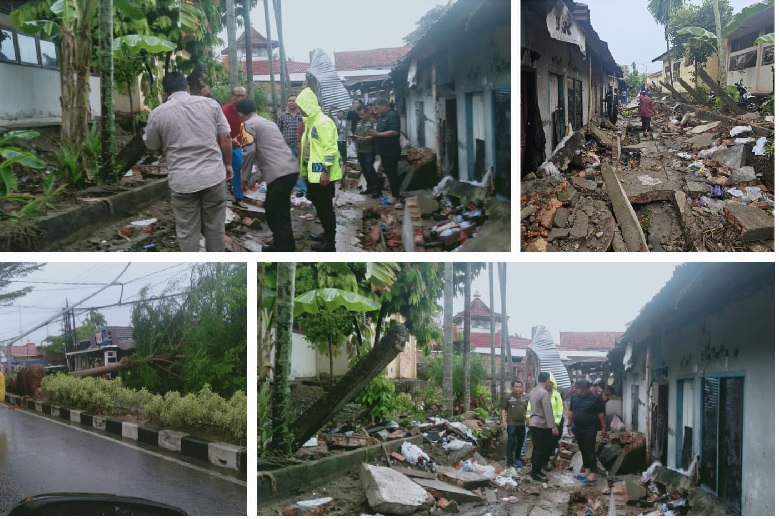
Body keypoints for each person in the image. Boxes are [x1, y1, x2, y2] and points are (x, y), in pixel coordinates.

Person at [144, 72, 232, 252]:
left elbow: (151, 145)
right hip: (213, 176)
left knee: (186, 231)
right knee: (215, 229)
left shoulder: (158, 113)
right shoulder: (210, 104)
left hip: (182, 181)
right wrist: (228, 164)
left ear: (166, 92)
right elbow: (226, 137)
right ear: (188, 88)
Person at [236, 99, 299, 252]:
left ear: (241, 114)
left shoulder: (247, 125)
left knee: (275, 212)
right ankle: (283, 243)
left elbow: (249, 152)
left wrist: (244, 179)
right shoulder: (268, 122)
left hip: (278, 174)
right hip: (291, 169)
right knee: (279, 210)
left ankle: (284, 249)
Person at [296, 87, 342, 252]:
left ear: (308, 105)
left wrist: (325, 171)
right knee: (319, 206)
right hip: (313, 174)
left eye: (301, 106)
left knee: (326, 208)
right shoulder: (310, 123)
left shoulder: (324, 122)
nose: (299, 109)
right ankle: (325, 234)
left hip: (322, 175)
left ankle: (330, 243)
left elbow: (331, 149)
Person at [567, 379, 607, 485]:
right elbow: (571, 411)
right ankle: (587, 471)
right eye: (581, 389)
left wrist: (603, 428)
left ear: (588, 388)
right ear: (577, 388)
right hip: (578, 428)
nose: (583, 392)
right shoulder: (574, 397)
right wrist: (569, 424)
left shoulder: (595, 398)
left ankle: (593, 475)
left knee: (589, 449)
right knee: (583, 449)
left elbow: (600, 414)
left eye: (585, 389)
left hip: (590, 428)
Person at [368, 98, 402, 209]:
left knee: (392, 173)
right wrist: (371, 136)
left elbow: (395, 131)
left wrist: (378, 135)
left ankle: (395, 196)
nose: (376, 111)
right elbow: (380, 133)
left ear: (384, 105)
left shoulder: (392, 115)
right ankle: (394, 194)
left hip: (391, 150)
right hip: (384, 150)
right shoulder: (383, 117)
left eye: (377, 108)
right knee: (389, 173)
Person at [528, 371, 559, 482]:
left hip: (533, 423)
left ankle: (535, 469)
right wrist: (553, 426)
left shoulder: (533, 391)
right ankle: (536, 472)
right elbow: (547, 410)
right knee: (541, 449)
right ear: (547, 381)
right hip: (541, 424)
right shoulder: (544, 392)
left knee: (536, 447)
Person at [221, 86, 248, 209]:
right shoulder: (224, 110)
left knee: (238, 169)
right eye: (238, 95)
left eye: (243, 95)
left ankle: (238, 197)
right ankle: (220, 198)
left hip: (237, 145)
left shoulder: (246, 111)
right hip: (222, 144)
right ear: (232, 97)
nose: (240, 98)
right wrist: (228, 140)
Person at [277, 94, 307, 198]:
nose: (291, 102)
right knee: (289, 168)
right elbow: (279, 131)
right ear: (287, 103)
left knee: (301, 167)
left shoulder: (302, 116)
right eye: (289, 100)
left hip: (300, 146)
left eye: (293, 100)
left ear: (297, 102)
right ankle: (292, 188)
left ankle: (301, 189)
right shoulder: (282, 116)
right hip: (287, 146)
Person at [352, 105, 381, 198]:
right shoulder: (359, 122)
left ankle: (377, 190)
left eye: (363, 114)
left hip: (369, 149)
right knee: (364, 169)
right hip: (360, 149)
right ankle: (369, 187)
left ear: (368, 112)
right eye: (360, 115)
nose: (361, 116)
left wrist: (364, 138)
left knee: (370, 169)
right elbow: (356, 133)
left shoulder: (373, 122)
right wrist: (356, 137)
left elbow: (375, 135)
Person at [501, 380, 527, 469]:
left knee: (520, 442)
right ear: (512, 387)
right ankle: (509, 461)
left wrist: (529, 419)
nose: (518, 389)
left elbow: (528, 409)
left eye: (520, 387)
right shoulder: (507, 397)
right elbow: (503, 409)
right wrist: (504, 421)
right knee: (511, 442)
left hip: (522, 424)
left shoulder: (525, 397)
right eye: (516, 387)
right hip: (511, 423)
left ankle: (517, 458)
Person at [548, 374, 567, 471]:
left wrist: (566, 411)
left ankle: (553, 446)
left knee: (558, 434)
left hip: (558, 419)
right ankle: (550, 450)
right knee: (549, 436)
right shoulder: (544, 391)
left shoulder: (560, 391)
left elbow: (563, 402)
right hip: (548, 419)